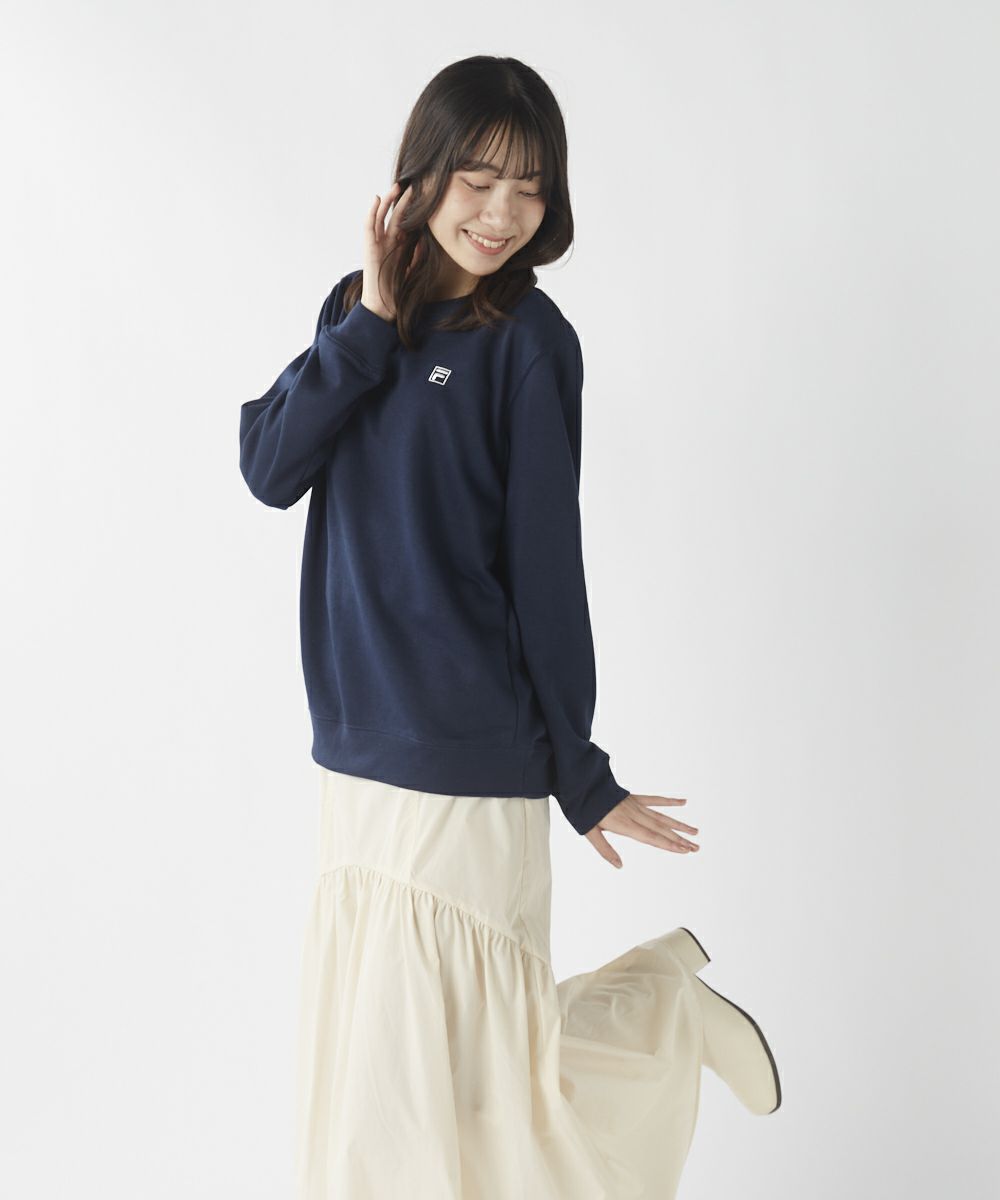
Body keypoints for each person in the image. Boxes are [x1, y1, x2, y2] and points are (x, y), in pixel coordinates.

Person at [239, 54, 780, 1200]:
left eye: (528, 189)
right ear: (421, 177)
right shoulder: (355, 312)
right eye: (477, 181)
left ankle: (659, 1012)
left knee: (479, 1088)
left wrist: (579, 772)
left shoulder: (530, 343)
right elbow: (269, 466)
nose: (500, 214)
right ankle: (660, 1010)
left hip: (473, 757)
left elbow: (544, 571)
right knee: (391, 1097)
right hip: (355, 758)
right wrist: (372, 320)